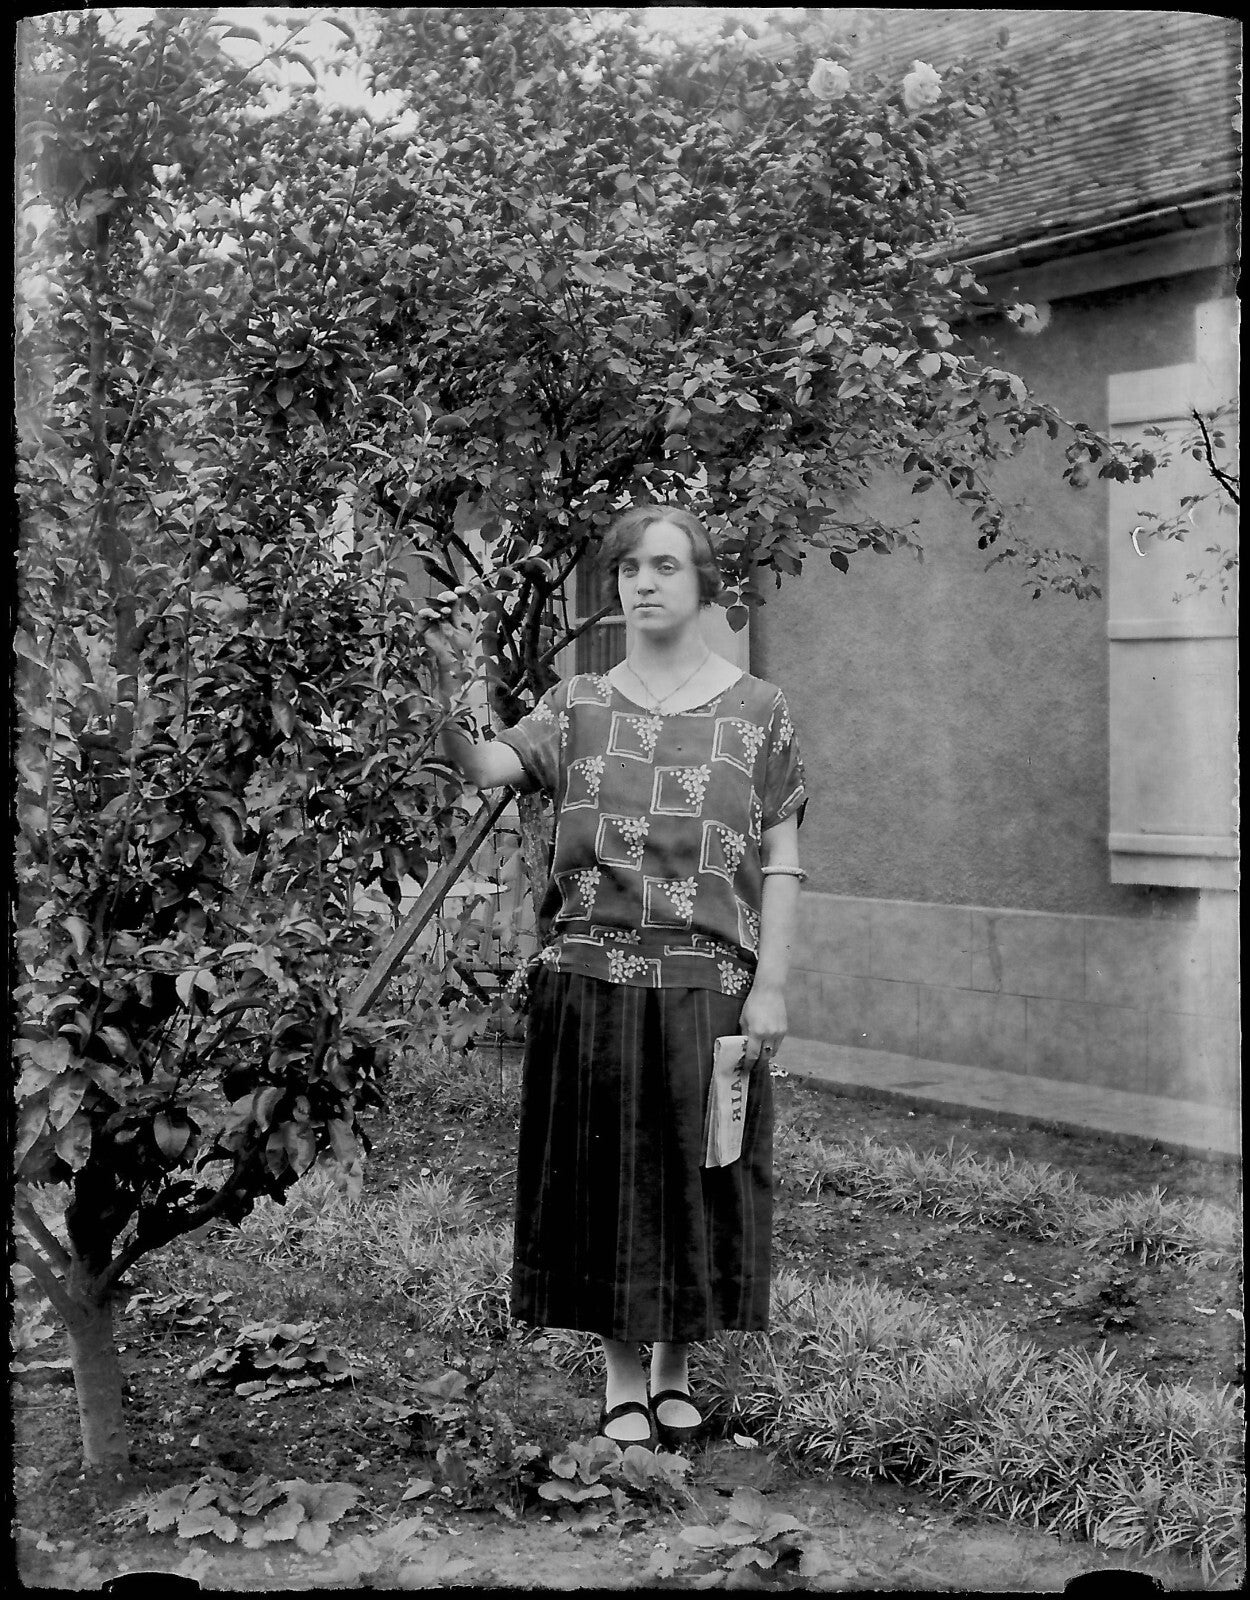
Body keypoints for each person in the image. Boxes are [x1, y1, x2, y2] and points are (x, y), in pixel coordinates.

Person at [434, 503, 807, 1449]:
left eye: (667, 566)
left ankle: (676, 1369)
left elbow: (785, 855)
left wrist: (771, 984)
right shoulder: (579, 704)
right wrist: (438, 692)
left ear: (704, 584)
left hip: (708, 983)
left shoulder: (759, 713)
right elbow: (485, 764)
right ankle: (619, 1378)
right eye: (630, 567)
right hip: (592, 979)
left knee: (697, 1176)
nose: (644, 582)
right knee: (605, 1179)